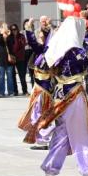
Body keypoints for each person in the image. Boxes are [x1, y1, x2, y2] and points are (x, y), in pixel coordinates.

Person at [37, 14, 88, 176]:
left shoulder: (56, 48)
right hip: (73, 95)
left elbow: (40, 66)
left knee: (62, 135)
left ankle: (50, 173)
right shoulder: (73, 50)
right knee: (82, 133)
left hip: (60, 95)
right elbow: (83, 64)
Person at [18, 18, 55, 150]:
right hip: (42, 87)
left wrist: (28, 28)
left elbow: (33, 43)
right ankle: (44, 139)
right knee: (40, 113)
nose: (39, 38)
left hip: (43, 89)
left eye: (41, 36)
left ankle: (44, 140)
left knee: (39, 113)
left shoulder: (47, 51)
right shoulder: (46, 51)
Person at [0, 25, 14, 97]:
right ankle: (1, 92)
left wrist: (7, 35)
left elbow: (11, 42)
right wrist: (3, 35)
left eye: (6, 28)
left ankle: (11, 91)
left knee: (10, 77)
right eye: (3, 28)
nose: (5, 30)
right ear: (1, 30)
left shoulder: (10, 36)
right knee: (1, 77)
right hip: (1, 60)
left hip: (9, 60)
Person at [10, 24, 29, 96]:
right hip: (12, 59)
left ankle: (25, 90)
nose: (14, 31)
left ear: (17, 29)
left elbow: (22, 45)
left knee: (22, 76)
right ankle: (15, 91)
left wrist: (16, 39)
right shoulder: (9, 37)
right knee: (13, 76)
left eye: (15, 29)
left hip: (20, 58)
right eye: (12, 30)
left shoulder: (21, 36)